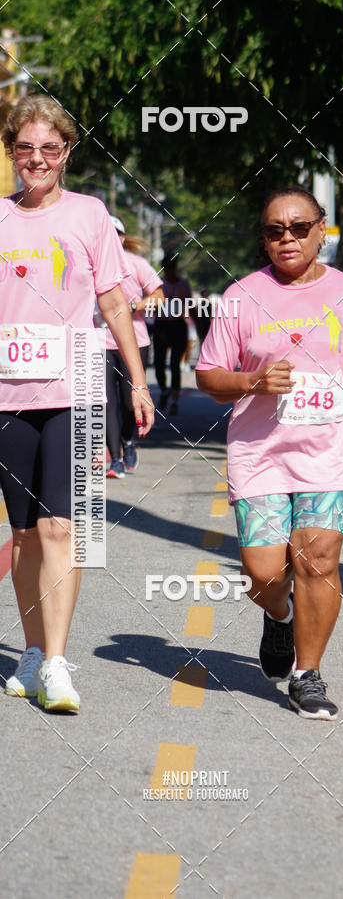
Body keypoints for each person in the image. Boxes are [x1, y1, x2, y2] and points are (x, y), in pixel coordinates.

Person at [195, 187, 343, 720]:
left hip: (333, 447)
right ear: (264, 237)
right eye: (275, 230)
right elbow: (208, 375)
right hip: (261, 452)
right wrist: (252, 381)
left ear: (322, 230)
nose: (288, 238)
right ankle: (278, 618)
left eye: (300, 227)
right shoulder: (241, 296)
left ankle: (308, 672)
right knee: (265, 573)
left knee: (317, 559)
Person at [0, 93, 154, 712]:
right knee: (24, 535)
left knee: (64, 526)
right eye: (25, 147)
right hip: (7, 393)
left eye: (49, 148)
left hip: (76, 391)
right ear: (12, 151)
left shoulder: (90, 215)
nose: (36, 159)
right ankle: (32, 653)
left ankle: (58, 663)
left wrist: (137, 381)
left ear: (66, 153)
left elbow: (115, 303)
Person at [104, 216, 164, 478]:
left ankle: (129, 442)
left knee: (130, 404)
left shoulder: (136, 264)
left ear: (123, 238)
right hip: (100, 343)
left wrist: (132, 307)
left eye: (117, 233)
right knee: (106, 403)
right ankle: (115, 459)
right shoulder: (89, 264)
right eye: (107, 233)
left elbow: (159, 298)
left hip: (134, 342)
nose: (112, 238)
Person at [153, 255, 192, 414]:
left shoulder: (183, 284)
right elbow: (152, 305)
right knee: (159, 364)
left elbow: (190, 306)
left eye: (172, 266)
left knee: (175, 364)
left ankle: (175, 401)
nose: (169, 270)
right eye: (166, 266)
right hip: (161, 325)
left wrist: (202, 328)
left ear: (175, 267)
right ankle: (163, 390)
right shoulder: (158, 284)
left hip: (177, 326)